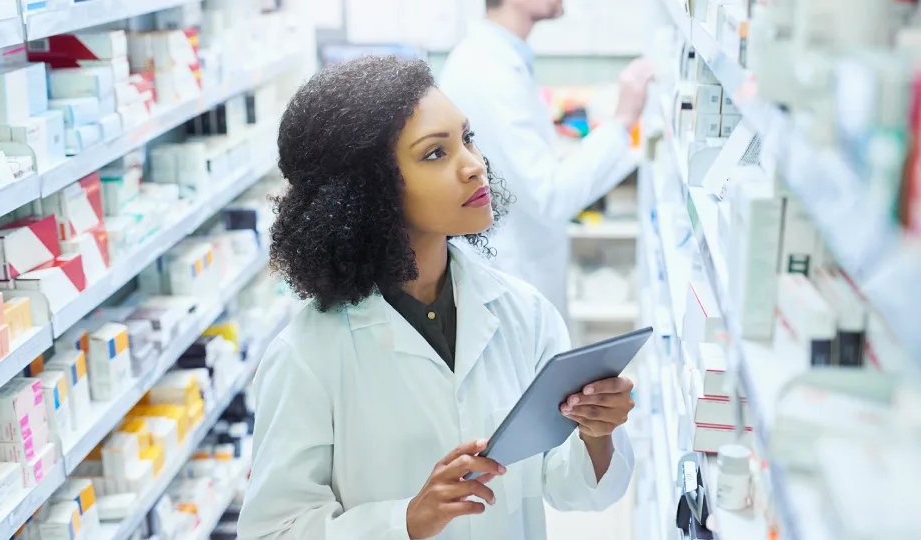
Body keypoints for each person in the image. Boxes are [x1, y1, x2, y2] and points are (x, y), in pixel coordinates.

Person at [237, 56, 635, 540]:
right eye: (434, 154)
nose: (473, 166)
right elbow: (271, 532)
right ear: (369, 191)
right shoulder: (307, 356)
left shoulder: (524, 314)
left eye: (467, 138)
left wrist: (597, 434)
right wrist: (404, 521)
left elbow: (572, 488)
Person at [439, 0, 655, 319]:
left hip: (521, 272)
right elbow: (550, 195)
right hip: (510, 280)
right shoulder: (486, 71)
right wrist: (623, 120)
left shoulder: (503, 58)